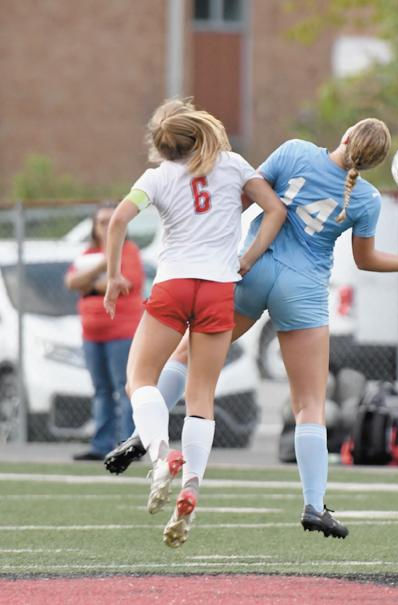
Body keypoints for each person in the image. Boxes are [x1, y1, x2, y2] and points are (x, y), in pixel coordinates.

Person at [105, 118, 398, 540]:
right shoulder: (366, 198)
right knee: (309, 403)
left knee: (184, 358)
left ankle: (146, 437)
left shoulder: (296, 152)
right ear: (378, 162)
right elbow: (365, 260)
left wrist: (230, 250)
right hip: (302, 290)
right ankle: (313, 504)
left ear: (344, 137)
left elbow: (247, 198)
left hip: (254, 267)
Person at [103, 98, 286, 548]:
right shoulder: (234, 165)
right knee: (201, 397)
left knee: (139, 379)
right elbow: (275, 210)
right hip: (219, 288)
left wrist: (113, 277)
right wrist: (247, 257)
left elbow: (119, 220)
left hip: (174, 285)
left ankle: (162, 456)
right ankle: (193, 487)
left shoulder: (158, 176)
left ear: (162, 145)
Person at [66, 201, 145, 461]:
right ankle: (101, 445)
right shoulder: (88, 252)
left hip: (121, 332)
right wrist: (103, 269)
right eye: (101, 221)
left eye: (111, 221)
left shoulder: (129, 250)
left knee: (125, 388)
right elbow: (71, 282)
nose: (106, 226)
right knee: (101, 390)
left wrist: (91, 280)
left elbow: (126, 284)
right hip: (91, 334)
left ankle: (128, 445)